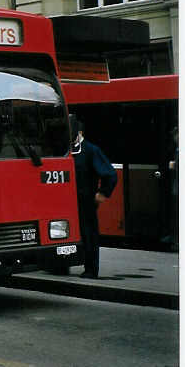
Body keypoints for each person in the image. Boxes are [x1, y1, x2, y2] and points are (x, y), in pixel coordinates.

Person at [71, 119, 117, 278]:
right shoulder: (68, 150)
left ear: (80, 133)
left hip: (86, 199)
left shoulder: (91, 150)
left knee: (88, 234)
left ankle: (91, 269)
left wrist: (102, 192)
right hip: (70, 200)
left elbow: (110, 174)